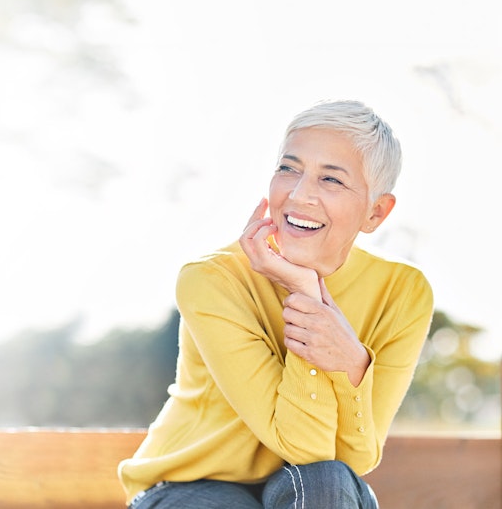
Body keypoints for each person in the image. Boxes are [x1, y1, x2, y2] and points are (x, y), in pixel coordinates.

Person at [118, 100, 434, 508]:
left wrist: (354, 364)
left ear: (375, 212)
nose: (300, 195)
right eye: (289, 169)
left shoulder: (403, 292)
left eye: (331, 180)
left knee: (327, 480)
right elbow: (299, 444)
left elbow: (356, 457)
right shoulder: (212, 280)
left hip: (308, 491)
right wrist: (310, 299)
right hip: (186, 487)